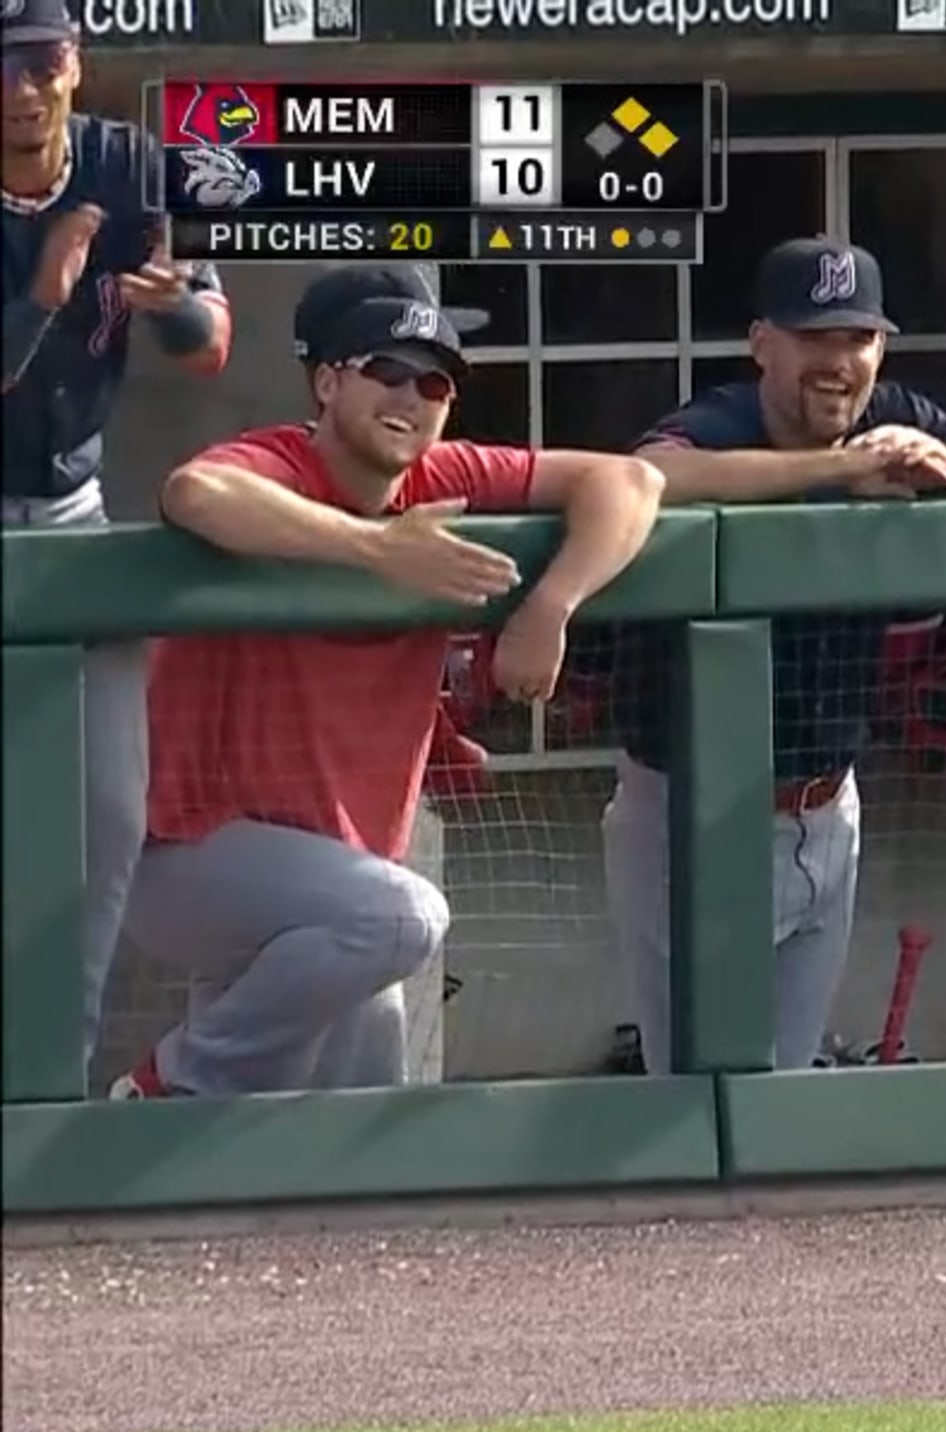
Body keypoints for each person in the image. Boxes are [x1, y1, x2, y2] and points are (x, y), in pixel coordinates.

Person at [115, 275, 663, 1097]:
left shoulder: (447, 474)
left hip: (325, 880)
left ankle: (157, 1146)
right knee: (404, 920)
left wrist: (551, 606)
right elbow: (195, 493)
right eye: (389, 372)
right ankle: (168, 1083)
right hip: (191, 854)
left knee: (354, 1109)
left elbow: (632, 483)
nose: (414, 395)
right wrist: (376, 550)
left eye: (434, 380)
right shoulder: (279, 461)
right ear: (329, 382)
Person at [609, 238, 946, 1074]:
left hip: (830, 805)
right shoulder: (724, 419)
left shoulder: (897, 414)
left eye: (857, 338)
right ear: (762, 344)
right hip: (693, 810)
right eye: (814, 338)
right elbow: (650, 475)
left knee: (784, 1090)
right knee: (687, 1089)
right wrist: (835, 471)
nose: (839, 362)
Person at [5, 0, 235, 1079]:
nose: (21, 89)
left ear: (74, 64)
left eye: (40, 61)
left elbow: (209, 346)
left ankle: (55, 1081)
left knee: (103, 824)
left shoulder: (131, 166)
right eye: (0, 67)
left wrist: (177, 304)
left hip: (73, 519)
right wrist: (43, 298)